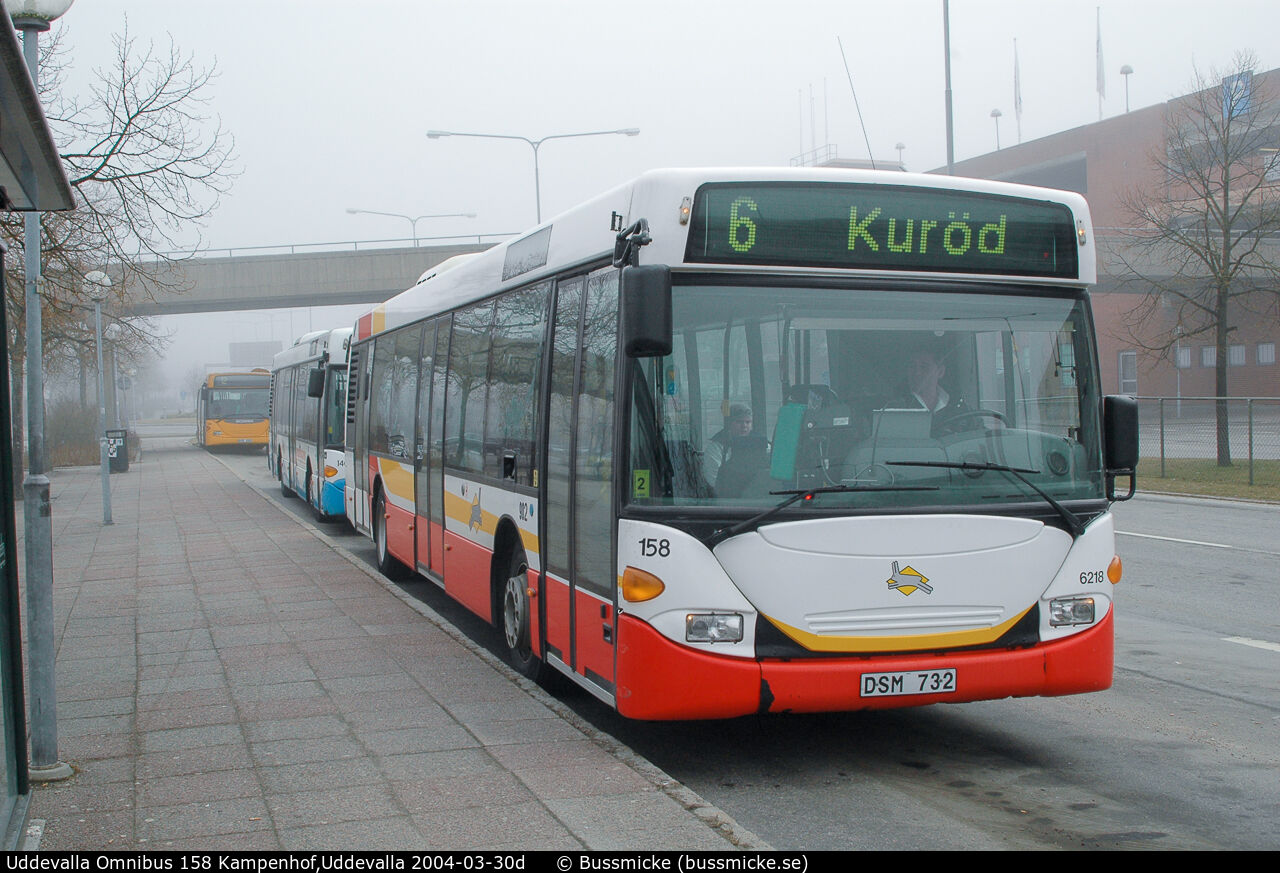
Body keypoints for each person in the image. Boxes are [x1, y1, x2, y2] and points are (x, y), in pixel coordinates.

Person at [889, 347, 972, 434]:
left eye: (924, 367)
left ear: (940, 372)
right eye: (912, 367)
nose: (917, 372)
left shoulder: (959, 406)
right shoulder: (895, 407)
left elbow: (980, 435)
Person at [704, 403, 768, 496]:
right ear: (729, 424)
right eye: (739, 422)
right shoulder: (716, 448)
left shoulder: (762, 446)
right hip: (728, 500)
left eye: (748, 422)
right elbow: (714, 481)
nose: (744, 426)